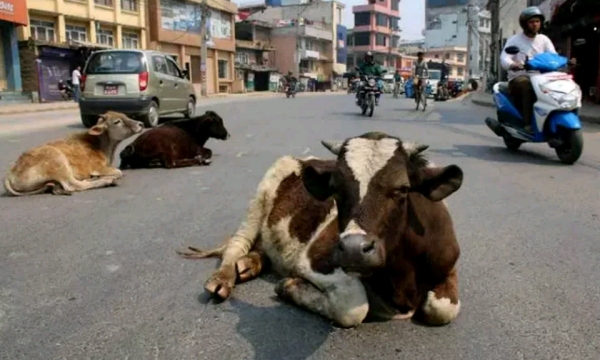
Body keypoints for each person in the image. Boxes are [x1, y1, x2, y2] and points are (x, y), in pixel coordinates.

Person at [500, 6, 556, 133]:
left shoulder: (544, 39)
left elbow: (553, 56)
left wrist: (563, 62)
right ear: (525, 24)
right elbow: (504, 58)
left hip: (541, 78)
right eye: (532, 22)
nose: (535, 24)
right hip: (519, 77)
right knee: (527, 85)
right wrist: (513, 65)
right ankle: (527, 123)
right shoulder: (514, 40)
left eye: (537, 21)